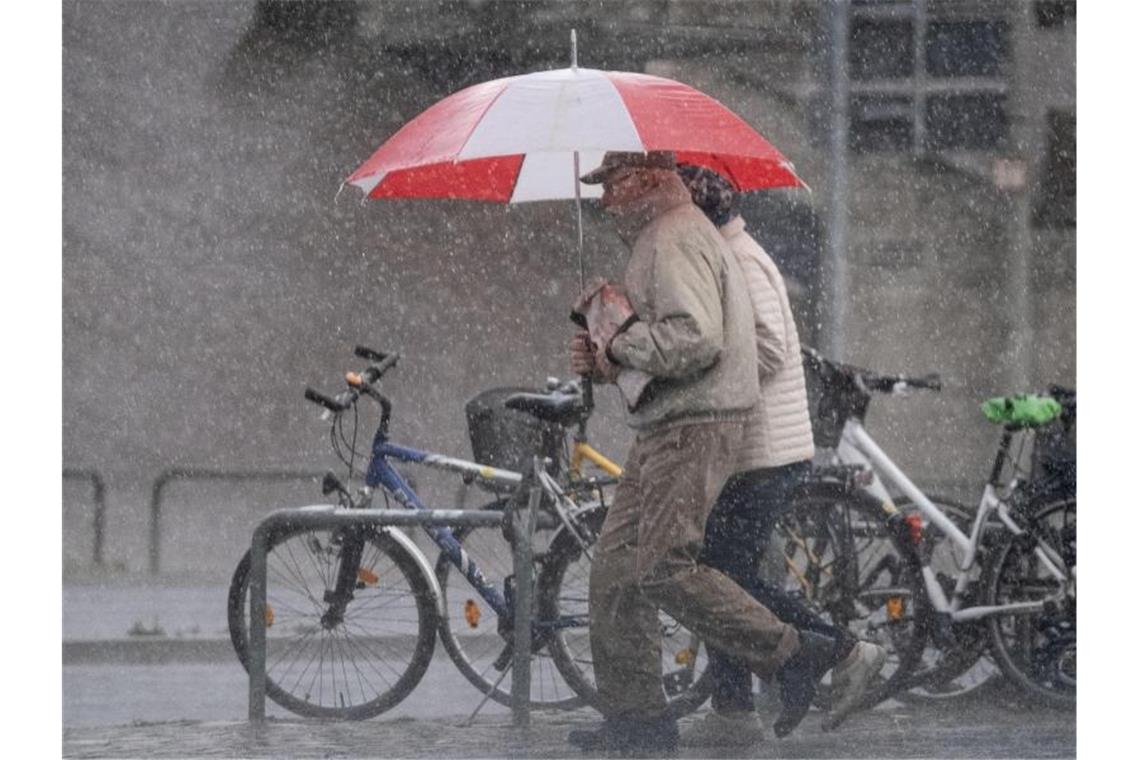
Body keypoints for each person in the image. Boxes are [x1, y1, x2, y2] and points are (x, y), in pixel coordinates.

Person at [565, 151, 842, 755]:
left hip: (691, 424)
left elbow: (696, 339)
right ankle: (636, 718)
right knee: (616, 570)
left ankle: (794, 654)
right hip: (670, 421)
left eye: (611, 185)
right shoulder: (666, 237)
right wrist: (609, 355)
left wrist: (621, 339)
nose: (605, 200)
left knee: (663, 566)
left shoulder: (674, 238)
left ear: (643, 181)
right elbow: (672, 344)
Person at [675, 164, 888, 747]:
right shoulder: (731, 254)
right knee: (719, 575)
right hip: (754, 448)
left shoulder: (738, 262)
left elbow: (766, 347)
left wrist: (706, 376)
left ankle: (840, 651)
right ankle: (733, 701)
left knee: (723, 579)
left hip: (762, 450)